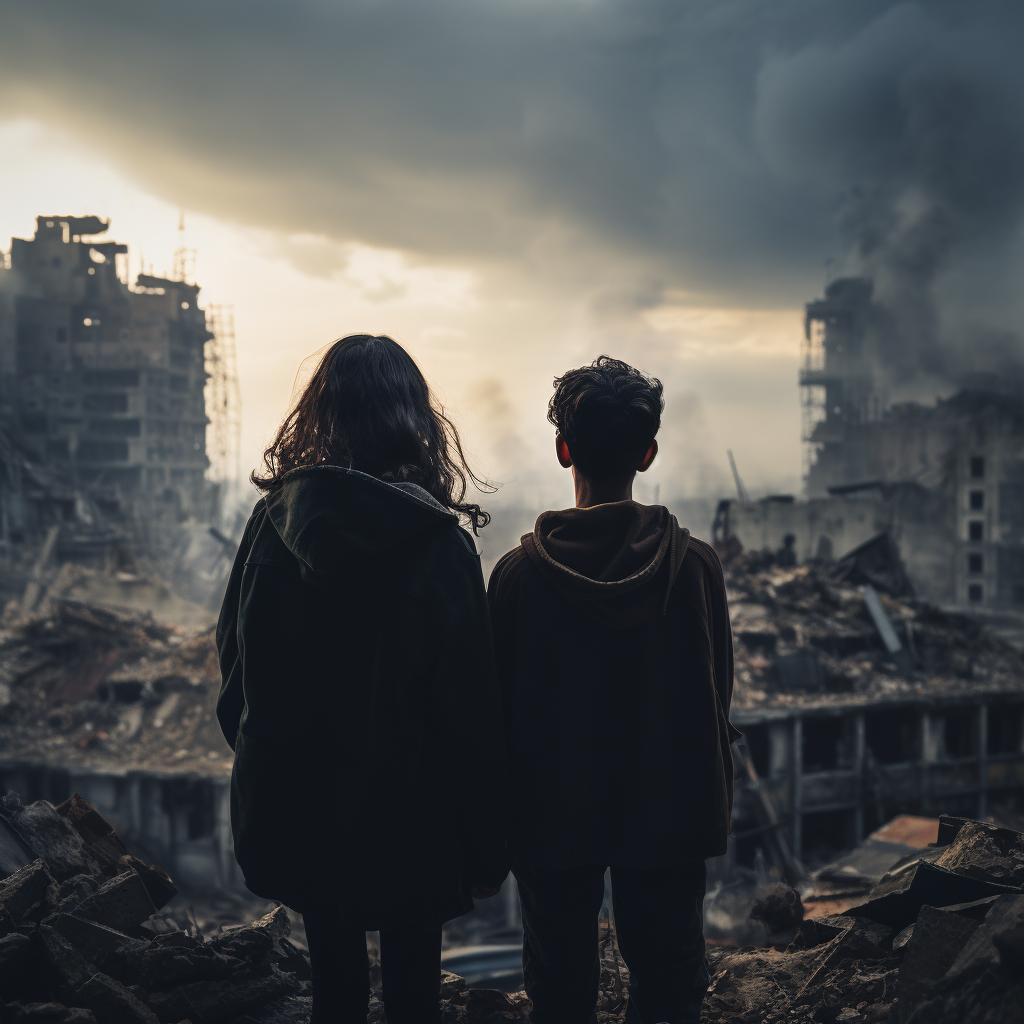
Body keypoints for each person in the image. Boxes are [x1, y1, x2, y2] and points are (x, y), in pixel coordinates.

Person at [216, 335, 509, 1024]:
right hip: (415, 821)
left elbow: (236, 666)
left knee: (334, 990)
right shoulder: (439, 546)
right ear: (414, 420)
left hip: (304, 810)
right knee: (414, 995)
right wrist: (487, 840)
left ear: (324, 414)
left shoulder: (273, 524)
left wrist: (274, 765)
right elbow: (470, 711)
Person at [487, 356, 739, 1024]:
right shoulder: (694, 568)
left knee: (559, 989)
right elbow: (719, 699)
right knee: (667, 986)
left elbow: (498, 712)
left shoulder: (517, 577)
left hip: (550, 817)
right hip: (670, 809)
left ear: (563, 448)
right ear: (648, 453)